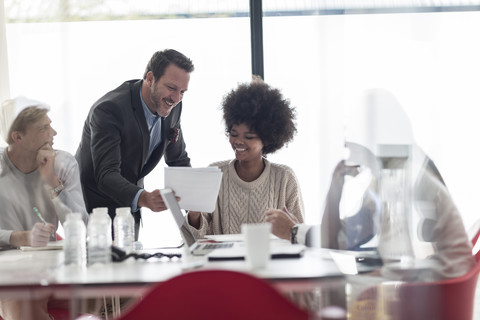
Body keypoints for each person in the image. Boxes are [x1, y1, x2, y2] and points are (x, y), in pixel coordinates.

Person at [75, 49, 194, 239]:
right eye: (172, 88)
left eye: (183, 92)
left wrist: (196, 203)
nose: (176, 98)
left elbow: (178, 160)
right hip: (96, 212)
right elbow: (106, 175)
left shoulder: (174, 106)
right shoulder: (109, 110)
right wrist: (145, 198)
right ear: (150, 78)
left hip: (130, 212)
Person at [0, 97, 88, 320]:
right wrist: (21, 237)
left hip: (51, 268)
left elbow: (82, 225)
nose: (54, 133)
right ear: (18, 137)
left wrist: (52, 182)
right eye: (44, 128)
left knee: (112, 295)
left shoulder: (63, 163)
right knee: (25, 307)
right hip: (9, 274)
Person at [186, 77, 305, 238]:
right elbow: (195, 239)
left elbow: (299, 236)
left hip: (271, 262)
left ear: (267, 139)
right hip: (224, 262)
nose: (238, 142)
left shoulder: (284, 178)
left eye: (249, 137)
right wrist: (194, 215)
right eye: (234, 134)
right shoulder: (214, 174)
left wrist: (290, 229)